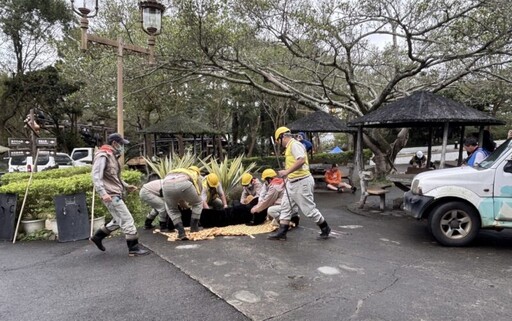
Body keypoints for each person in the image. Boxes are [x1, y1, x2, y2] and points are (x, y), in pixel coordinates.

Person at [90, 133, 149, 256]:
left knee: (118, 221)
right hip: (111, 195)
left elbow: (114, 177)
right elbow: (96, 176)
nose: (122, 147)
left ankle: (97, 237)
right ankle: (133, 249)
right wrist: (103, 193)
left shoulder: (111, 156)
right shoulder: (103, 155)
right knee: (127, 220)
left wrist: (127, 186)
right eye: (121, 144)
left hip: (114, 193)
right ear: (114, 143)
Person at [268, 126, 332, 240]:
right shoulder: (289, 148)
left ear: (283, 136)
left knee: (308, 210)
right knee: (285, 207)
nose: (279, 144)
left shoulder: (294, 144)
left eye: (279, 140)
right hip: (292, 182)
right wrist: (287, 176)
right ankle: (282, 231)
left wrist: (286, 171)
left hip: (301, 182)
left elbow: (301, 160)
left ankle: (324, 227)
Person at [161, 167, 203, 240]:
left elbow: (178, 194)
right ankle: (194, 227)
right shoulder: (195, 174)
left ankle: (181, 232)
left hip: (166, 186)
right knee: (198, 203)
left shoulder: (176, 170)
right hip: (184, 184)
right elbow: (199, 191)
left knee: (172, 210)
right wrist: (191, 202)